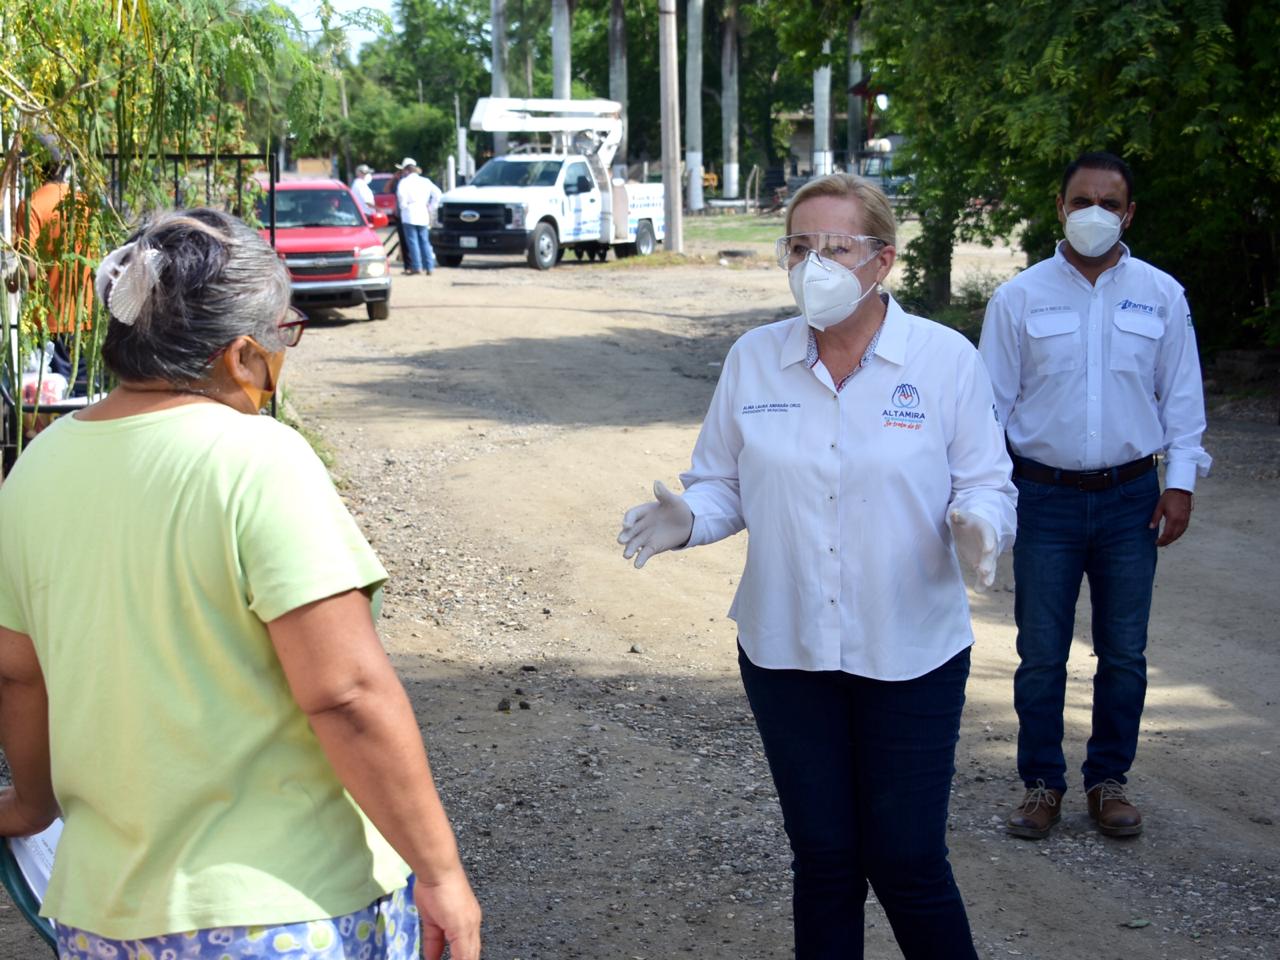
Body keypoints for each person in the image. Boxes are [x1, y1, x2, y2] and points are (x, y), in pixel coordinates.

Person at [0, 209, 482, 960]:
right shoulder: (258, 459)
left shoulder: (38, 466)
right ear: (241, 354)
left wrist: (33, 803)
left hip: (101, 917)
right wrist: (440, 870)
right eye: (283, 336)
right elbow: (346, 693)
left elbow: (18, 674)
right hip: (281, 910)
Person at [618, 173, 1017, 960]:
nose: (814, 266)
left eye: (836, 247)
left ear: (883, 260)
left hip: (911, 649)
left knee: (906, 860)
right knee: (826, 859)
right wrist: (690, 517)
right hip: (787, 650)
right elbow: (724, 483)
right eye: (800, 248)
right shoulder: (755, 359)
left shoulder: (943, 359)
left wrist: (981, 525)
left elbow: (985, 481)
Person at [978, 152, 1212, 840]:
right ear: (1060, 208)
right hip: (1042, 499)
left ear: (1129, 214)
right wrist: (988, 495)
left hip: (1130, 499)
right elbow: (987, 410)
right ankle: (1041, 785)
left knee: (1125, 654)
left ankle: (1108, 782)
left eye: (1109, 203)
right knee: (1041, 653)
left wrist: (1180, 483)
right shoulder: (1019, 297)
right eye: (1081, 201)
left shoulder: (1161, 295)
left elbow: (1182, 398)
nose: (1094, 214)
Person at [395, 158, 441, 276]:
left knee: (412, 241)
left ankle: (417, 266)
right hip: (422, 212)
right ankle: (429, 266)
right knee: (424, 241)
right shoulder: (425, 181)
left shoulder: (404, 182)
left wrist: (403, 207)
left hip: (409, 213)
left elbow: (401, 197)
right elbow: (438, 194)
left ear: (406, 170)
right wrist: (431, 207)